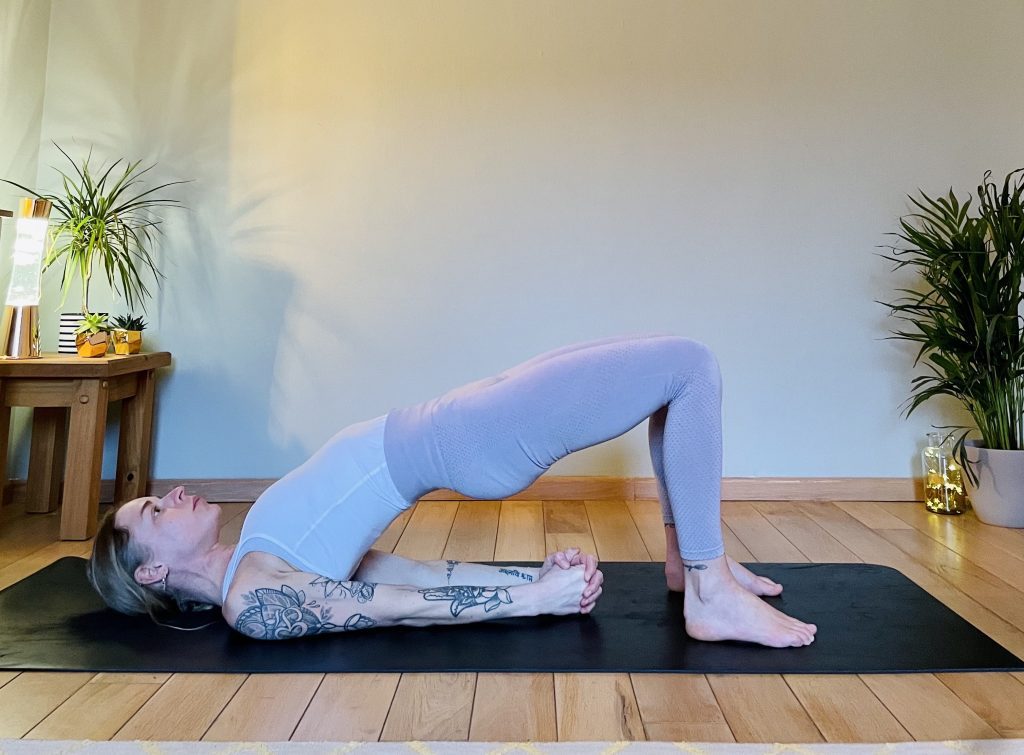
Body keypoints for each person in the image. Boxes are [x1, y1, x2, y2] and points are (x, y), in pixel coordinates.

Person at [89, 333, 817, 647]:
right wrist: (532, 602)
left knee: (673, 373)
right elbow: (394, 611)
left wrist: (528, 577)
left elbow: (408, 574)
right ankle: (708, 588)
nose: (174, 492)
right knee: (689, 366)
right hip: (471, 438)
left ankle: (687, 563)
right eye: (154, 509)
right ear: (151, 569)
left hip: (460, 421)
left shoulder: (261, 549)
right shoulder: (253, 596)